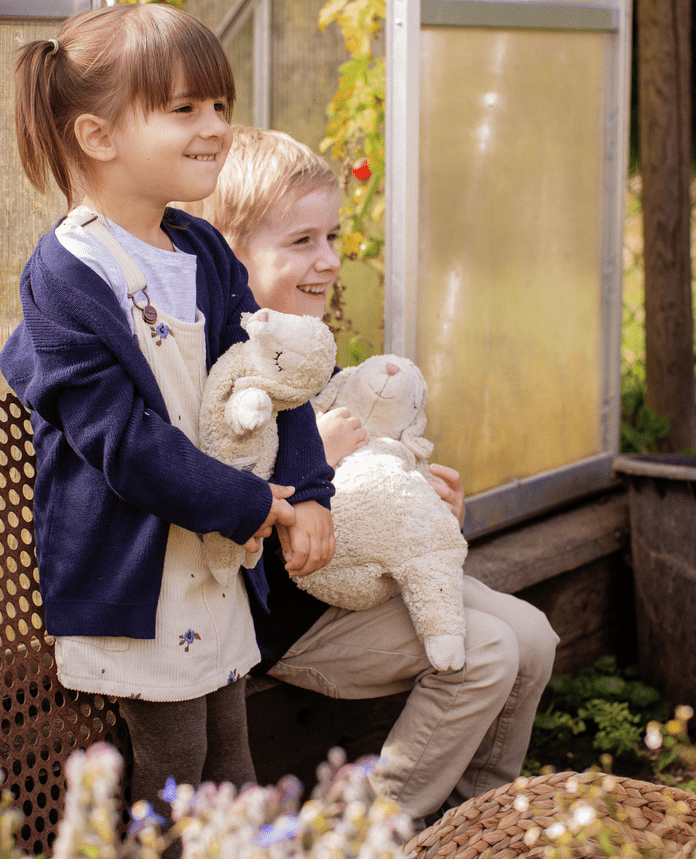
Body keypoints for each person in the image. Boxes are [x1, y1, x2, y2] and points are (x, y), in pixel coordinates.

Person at [0, 7, 335, 839]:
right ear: (98, 136)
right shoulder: (69, 273)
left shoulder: (200, 248)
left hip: (214, 556)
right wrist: (255, 503)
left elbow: (266, 374)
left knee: (232, 755)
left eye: (218, 106)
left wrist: (315, 489)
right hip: (135, 572)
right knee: (174, 771)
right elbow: (121, 441)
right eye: (185, 110)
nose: (216, 128)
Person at [184, 124, 560, 833]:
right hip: (288, 619)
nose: (326, 261)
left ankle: (473, 823)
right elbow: (219, 495)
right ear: (232, 253)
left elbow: (371, 483)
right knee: (483, 652)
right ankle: (357, 837)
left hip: (361, 582)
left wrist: (426, 495)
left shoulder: (309, 350)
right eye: (300, 242)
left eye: (330, 237)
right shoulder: (228, 369)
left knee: (532, 634)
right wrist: (313, 463)